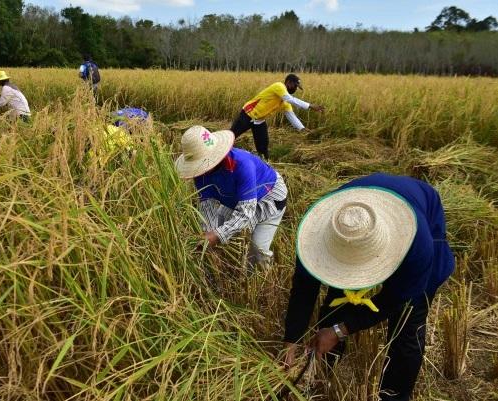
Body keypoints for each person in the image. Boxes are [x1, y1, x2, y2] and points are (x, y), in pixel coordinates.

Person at [281, 173, 455, 401]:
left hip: (423, 212)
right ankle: (321, 369)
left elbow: (395, 299)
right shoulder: (318, 232)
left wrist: (340, 330)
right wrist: (291, 341)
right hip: (354, 219)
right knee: (337, 300)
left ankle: (395, 396)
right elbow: (304, 290)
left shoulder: (417, 243)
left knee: (408, 321)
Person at [174, 125, 288, 268]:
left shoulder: (242, 165)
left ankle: (261, 275)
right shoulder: (200, 174)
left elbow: (246, 213)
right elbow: (207, 206)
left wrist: (216, 236)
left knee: (257, 249)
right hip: (235, 198)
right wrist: (208, 235)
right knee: (221, 228)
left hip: (269, 198)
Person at [230, 74, 324, 159]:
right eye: (295, 86)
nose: (295, 89)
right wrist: (310, 106)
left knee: (263, 147)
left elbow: (291, 116)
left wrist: (302, 129)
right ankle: (218, 152)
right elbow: (291, 99)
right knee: (230, 136)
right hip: (248, 114)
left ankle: (264, 164)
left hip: (259, 121)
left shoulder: (284, 102)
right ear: (288, 82)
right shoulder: (279, 86)